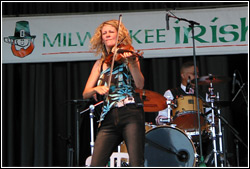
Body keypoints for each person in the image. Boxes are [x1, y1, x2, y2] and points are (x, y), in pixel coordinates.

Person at [82, 19, 145, 167]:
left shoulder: (128, 56)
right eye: (104, 33)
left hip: (130, 112)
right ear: (101, 38)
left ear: (119, 35)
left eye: (111, 32)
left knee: (136, 163)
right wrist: (96, 89)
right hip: (108, 117)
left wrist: (133, 63)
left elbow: (140, 84)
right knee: (96, 164)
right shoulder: (100, 63)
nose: (107, 35)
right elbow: (85, 93)